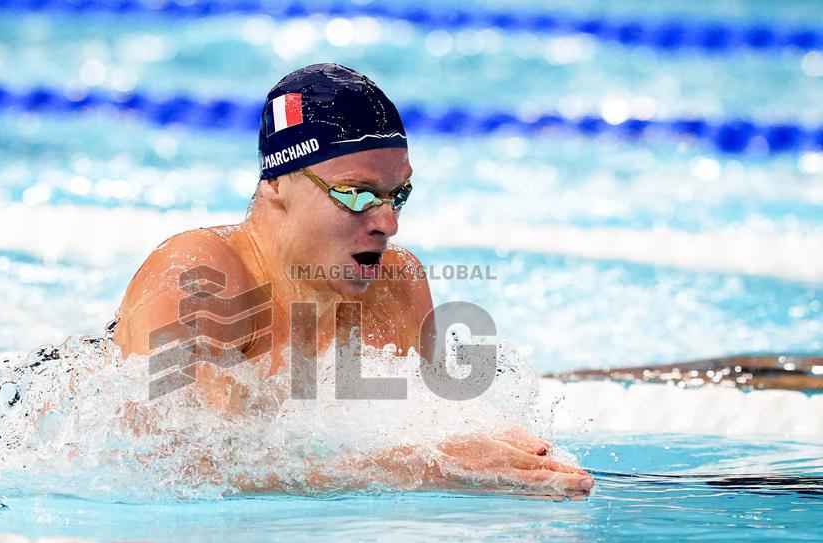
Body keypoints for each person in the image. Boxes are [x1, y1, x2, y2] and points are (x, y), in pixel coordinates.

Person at [113, 63, 594, 499]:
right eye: (356, 194)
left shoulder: (397, 283)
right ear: (276, 182)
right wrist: (425, 467)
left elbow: (414, 433)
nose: (389, 223)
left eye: (397, 195)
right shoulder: (203, 277)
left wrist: (482, 447)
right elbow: (182, 466)